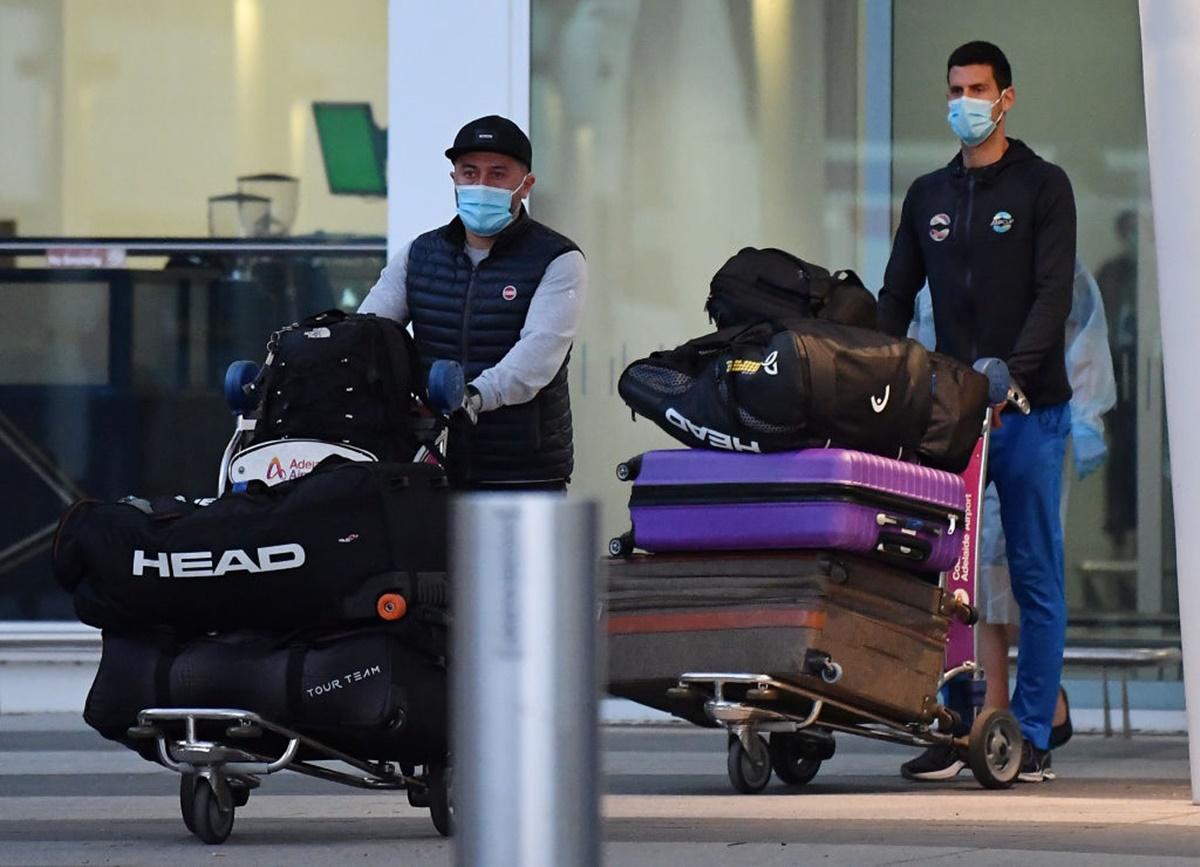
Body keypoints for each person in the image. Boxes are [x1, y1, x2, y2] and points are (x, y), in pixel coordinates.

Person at [877, 41, 1076, 782]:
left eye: (979, 88)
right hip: (953, 415)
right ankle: (952, 719)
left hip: (1029, 411)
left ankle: (1028, 733)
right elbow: (897, 296)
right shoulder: (928, 195)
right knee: (945, 573)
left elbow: (1051, 296)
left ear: (1006, 98)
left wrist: (1012, 379)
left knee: (1034, 575)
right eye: (956, 88)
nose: (965, 101)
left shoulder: (1043, 186)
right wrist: (869, 371)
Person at [907, 256, 1116, 780]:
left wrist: (1086, 420)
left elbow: (1083, 336)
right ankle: (976, 722)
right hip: (959, 428)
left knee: (1021, 576)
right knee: (966, 577)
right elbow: (919, 339)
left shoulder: (1048, 258)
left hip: (1030, 422)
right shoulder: (943, 249)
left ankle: (1024, 722)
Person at [359, 115, 587, 491]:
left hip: (522, 470)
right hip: (429, 464)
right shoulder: (420, 254)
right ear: (454, 180)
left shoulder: (558, 258)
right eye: (469, 172)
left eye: (498, 174)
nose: (481, 185)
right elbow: (368, 332)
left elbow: (538, 355)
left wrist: (471, 398)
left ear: (525, 185)